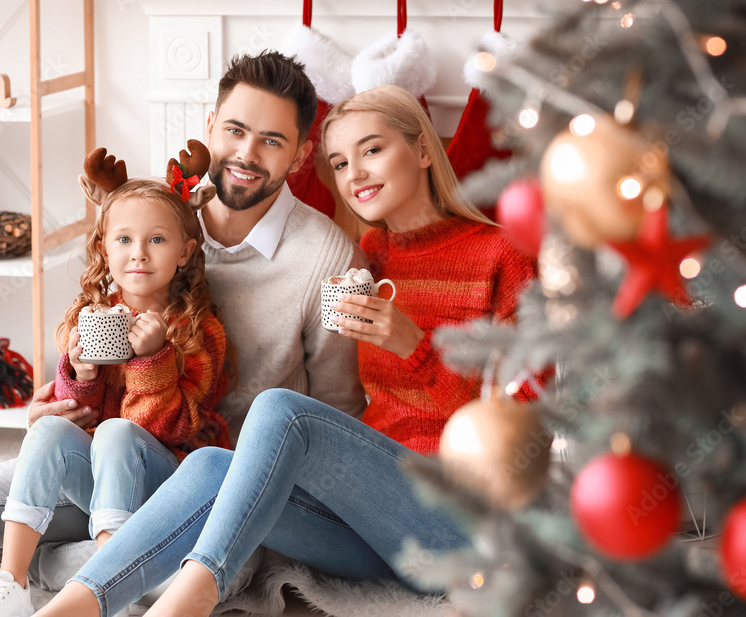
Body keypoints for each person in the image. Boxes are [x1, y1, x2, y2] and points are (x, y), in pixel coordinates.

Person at [0, 50, 366, 617]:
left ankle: (14, 565)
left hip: (213, 496)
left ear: (300, 155)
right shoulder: (153, 217)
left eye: (271, 141)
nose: (246, 154)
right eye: (235, 130)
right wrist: (56, 399)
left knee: (209, 570)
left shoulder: (326, 257)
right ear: (210, 127)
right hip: (106, 459)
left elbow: (335, 413)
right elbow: (92, 328)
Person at [28, 85, 538, 617]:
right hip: (371, 532)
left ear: (425, 151)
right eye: (340, 162)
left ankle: (196, 591)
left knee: (278, 407)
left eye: (372, 150)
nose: (355, 175)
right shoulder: (372, 256)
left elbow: (528, 429)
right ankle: (76, 606)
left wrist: (416, 349)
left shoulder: (502, 255)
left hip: (459, 523)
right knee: (208, 465)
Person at [0, 173, 235, 616]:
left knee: (117, 434)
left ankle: (109, 584)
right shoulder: (91, 319)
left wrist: (153, 360)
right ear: (105, 246)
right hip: (102, 486)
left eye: (157, 239)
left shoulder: (198, 330)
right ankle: (10, 582)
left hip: (167, 489)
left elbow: (177, 428)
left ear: (184, 251)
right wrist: (80, 374)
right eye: (123, 238)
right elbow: (77, 420)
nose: (138, 252)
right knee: (49, 428)